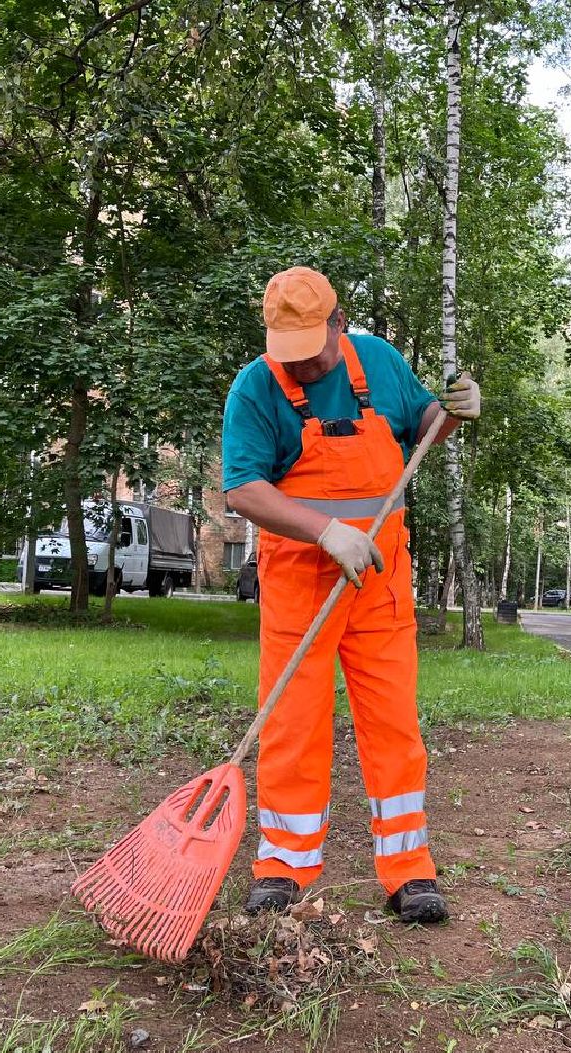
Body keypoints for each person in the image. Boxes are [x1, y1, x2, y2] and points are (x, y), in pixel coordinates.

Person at [221, 266, 481, 923]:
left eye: (313, 350)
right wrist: (325, 531)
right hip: (300, 583)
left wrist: (453, 412)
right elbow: (243, 490)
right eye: (291, 354)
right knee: (292, 726)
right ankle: (283, 868)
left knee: (394, 725)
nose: (303, 367)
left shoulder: (381, 362)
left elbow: (424, 425)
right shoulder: (256, 388)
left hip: (380, 584)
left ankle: (408, 870)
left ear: (339, 322)